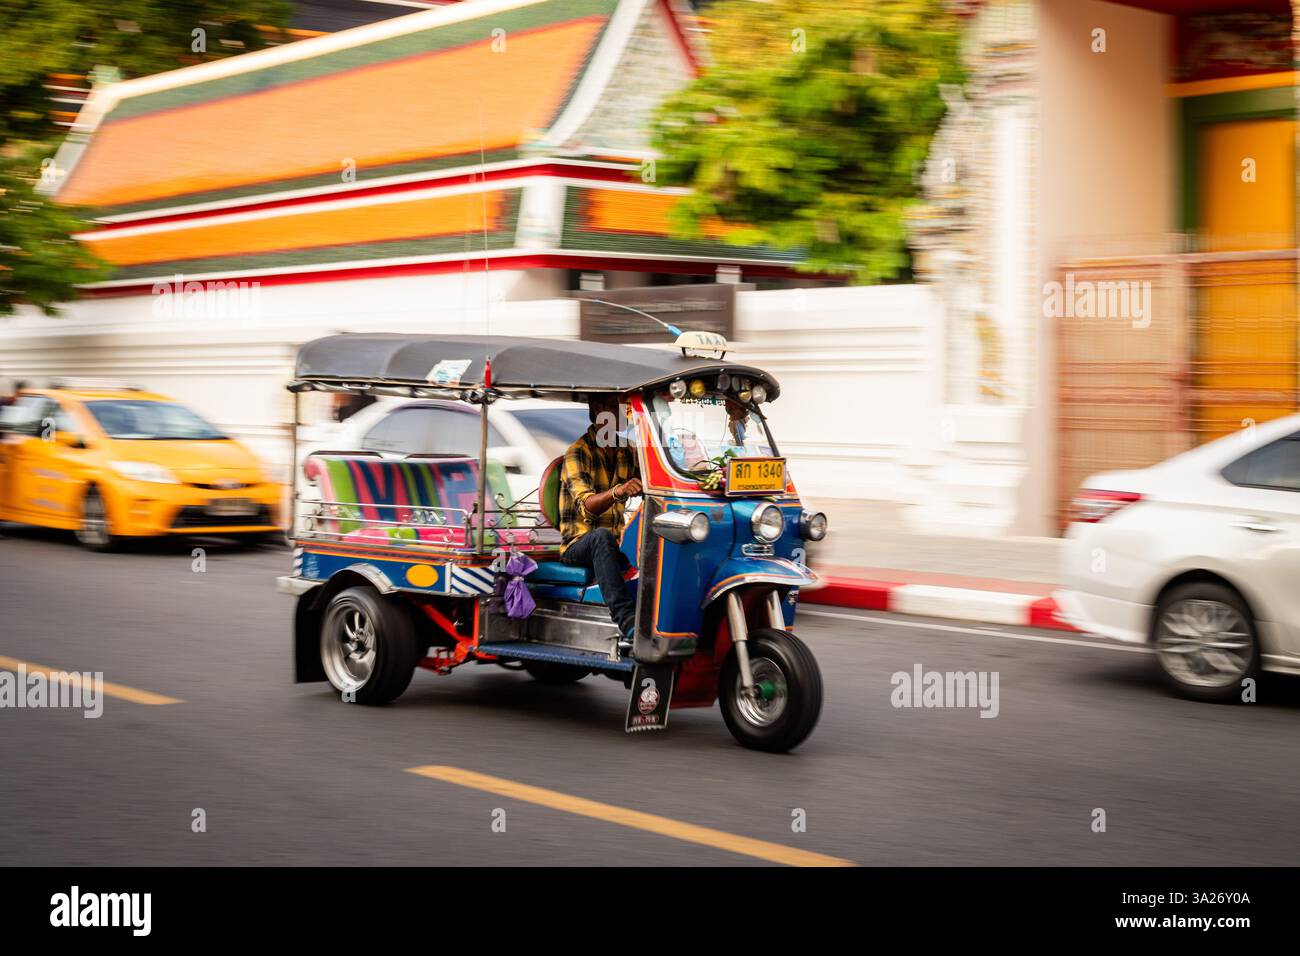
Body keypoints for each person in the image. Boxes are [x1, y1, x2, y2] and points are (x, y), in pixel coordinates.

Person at [558, 395, 641, 652]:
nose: (625, 411)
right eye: (619, 405)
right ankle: (626, 622)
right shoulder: (577, 452)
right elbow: (587, 506)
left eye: (627, 406)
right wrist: (619, 491)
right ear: (599, 409)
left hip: (613, 549)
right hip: (578, 547)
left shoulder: (628, 450)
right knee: (601, 537)